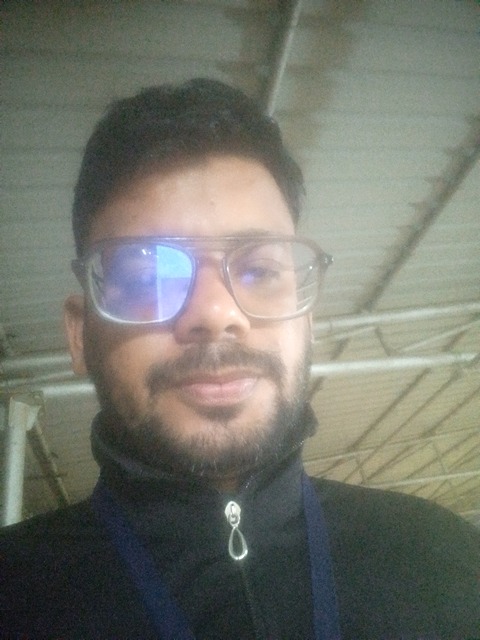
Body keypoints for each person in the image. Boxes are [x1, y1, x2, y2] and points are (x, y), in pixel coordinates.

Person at [1, 78, 478, 640]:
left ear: (307, 319)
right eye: (149, 277)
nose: (215, 312)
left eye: (259, 270)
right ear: (81, 334)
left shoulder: (445, 560)